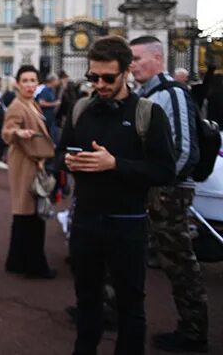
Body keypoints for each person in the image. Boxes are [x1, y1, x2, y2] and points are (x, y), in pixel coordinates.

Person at [57, 35, 176, 355]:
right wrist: (67, 162)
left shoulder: (148, 114)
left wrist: (115, 164)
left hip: (128, 224)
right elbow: (60, 153)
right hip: (85, 222)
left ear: (126, 72)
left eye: (108, 78)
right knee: (87, 300)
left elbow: (165, 171)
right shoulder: (82, 108)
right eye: (93, 77)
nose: (100, 84)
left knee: (130, 304)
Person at [130, 35, 208, 353]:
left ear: (158, 59)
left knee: (179, 263)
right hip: (146, 187)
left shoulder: (172, 93)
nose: (131, 65)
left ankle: (194, 332)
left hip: (168, 193)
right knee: (126, 252)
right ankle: (110, 311)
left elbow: (185, 150)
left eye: (137, 58)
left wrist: (160, 182)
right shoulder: (141, 95)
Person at [1, 65, 56, 279]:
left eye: (33, 80)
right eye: (25, 81)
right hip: (25, 164)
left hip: (32, 163)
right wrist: (18, 132)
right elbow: (6, 132)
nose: (30, 85)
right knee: (31, 215)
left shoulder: (31, 103)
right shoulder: (17, 105)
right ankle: (35, 265)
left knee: (25, 215)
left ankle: (16, 260)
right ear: (18, 83)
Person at [36, 73, 60, 143]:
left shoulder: (51, 90)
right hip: (46, 116)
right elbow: (41, 102)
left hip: (51, 117)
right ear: (52, 80)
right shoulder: (45, 90)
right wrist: (54, 104)